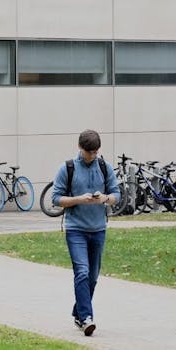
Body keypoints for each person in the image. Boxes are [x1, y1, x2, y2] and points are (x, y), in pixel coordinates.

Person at [50, 129, 120, 337]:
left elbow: (116, 194)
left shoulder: (104, 167)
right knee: (81, 271)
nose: (92, 156)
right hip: (76, 229)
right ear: (80, 148)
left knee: (92, 276)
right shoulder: (67, 168)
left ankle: (78, 311)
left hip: (98, 229)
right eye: (89, 152)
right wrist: (79, 199)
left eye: (95, 152)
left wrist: (105, 198)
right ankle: (87, 318)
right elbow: (55, 198)